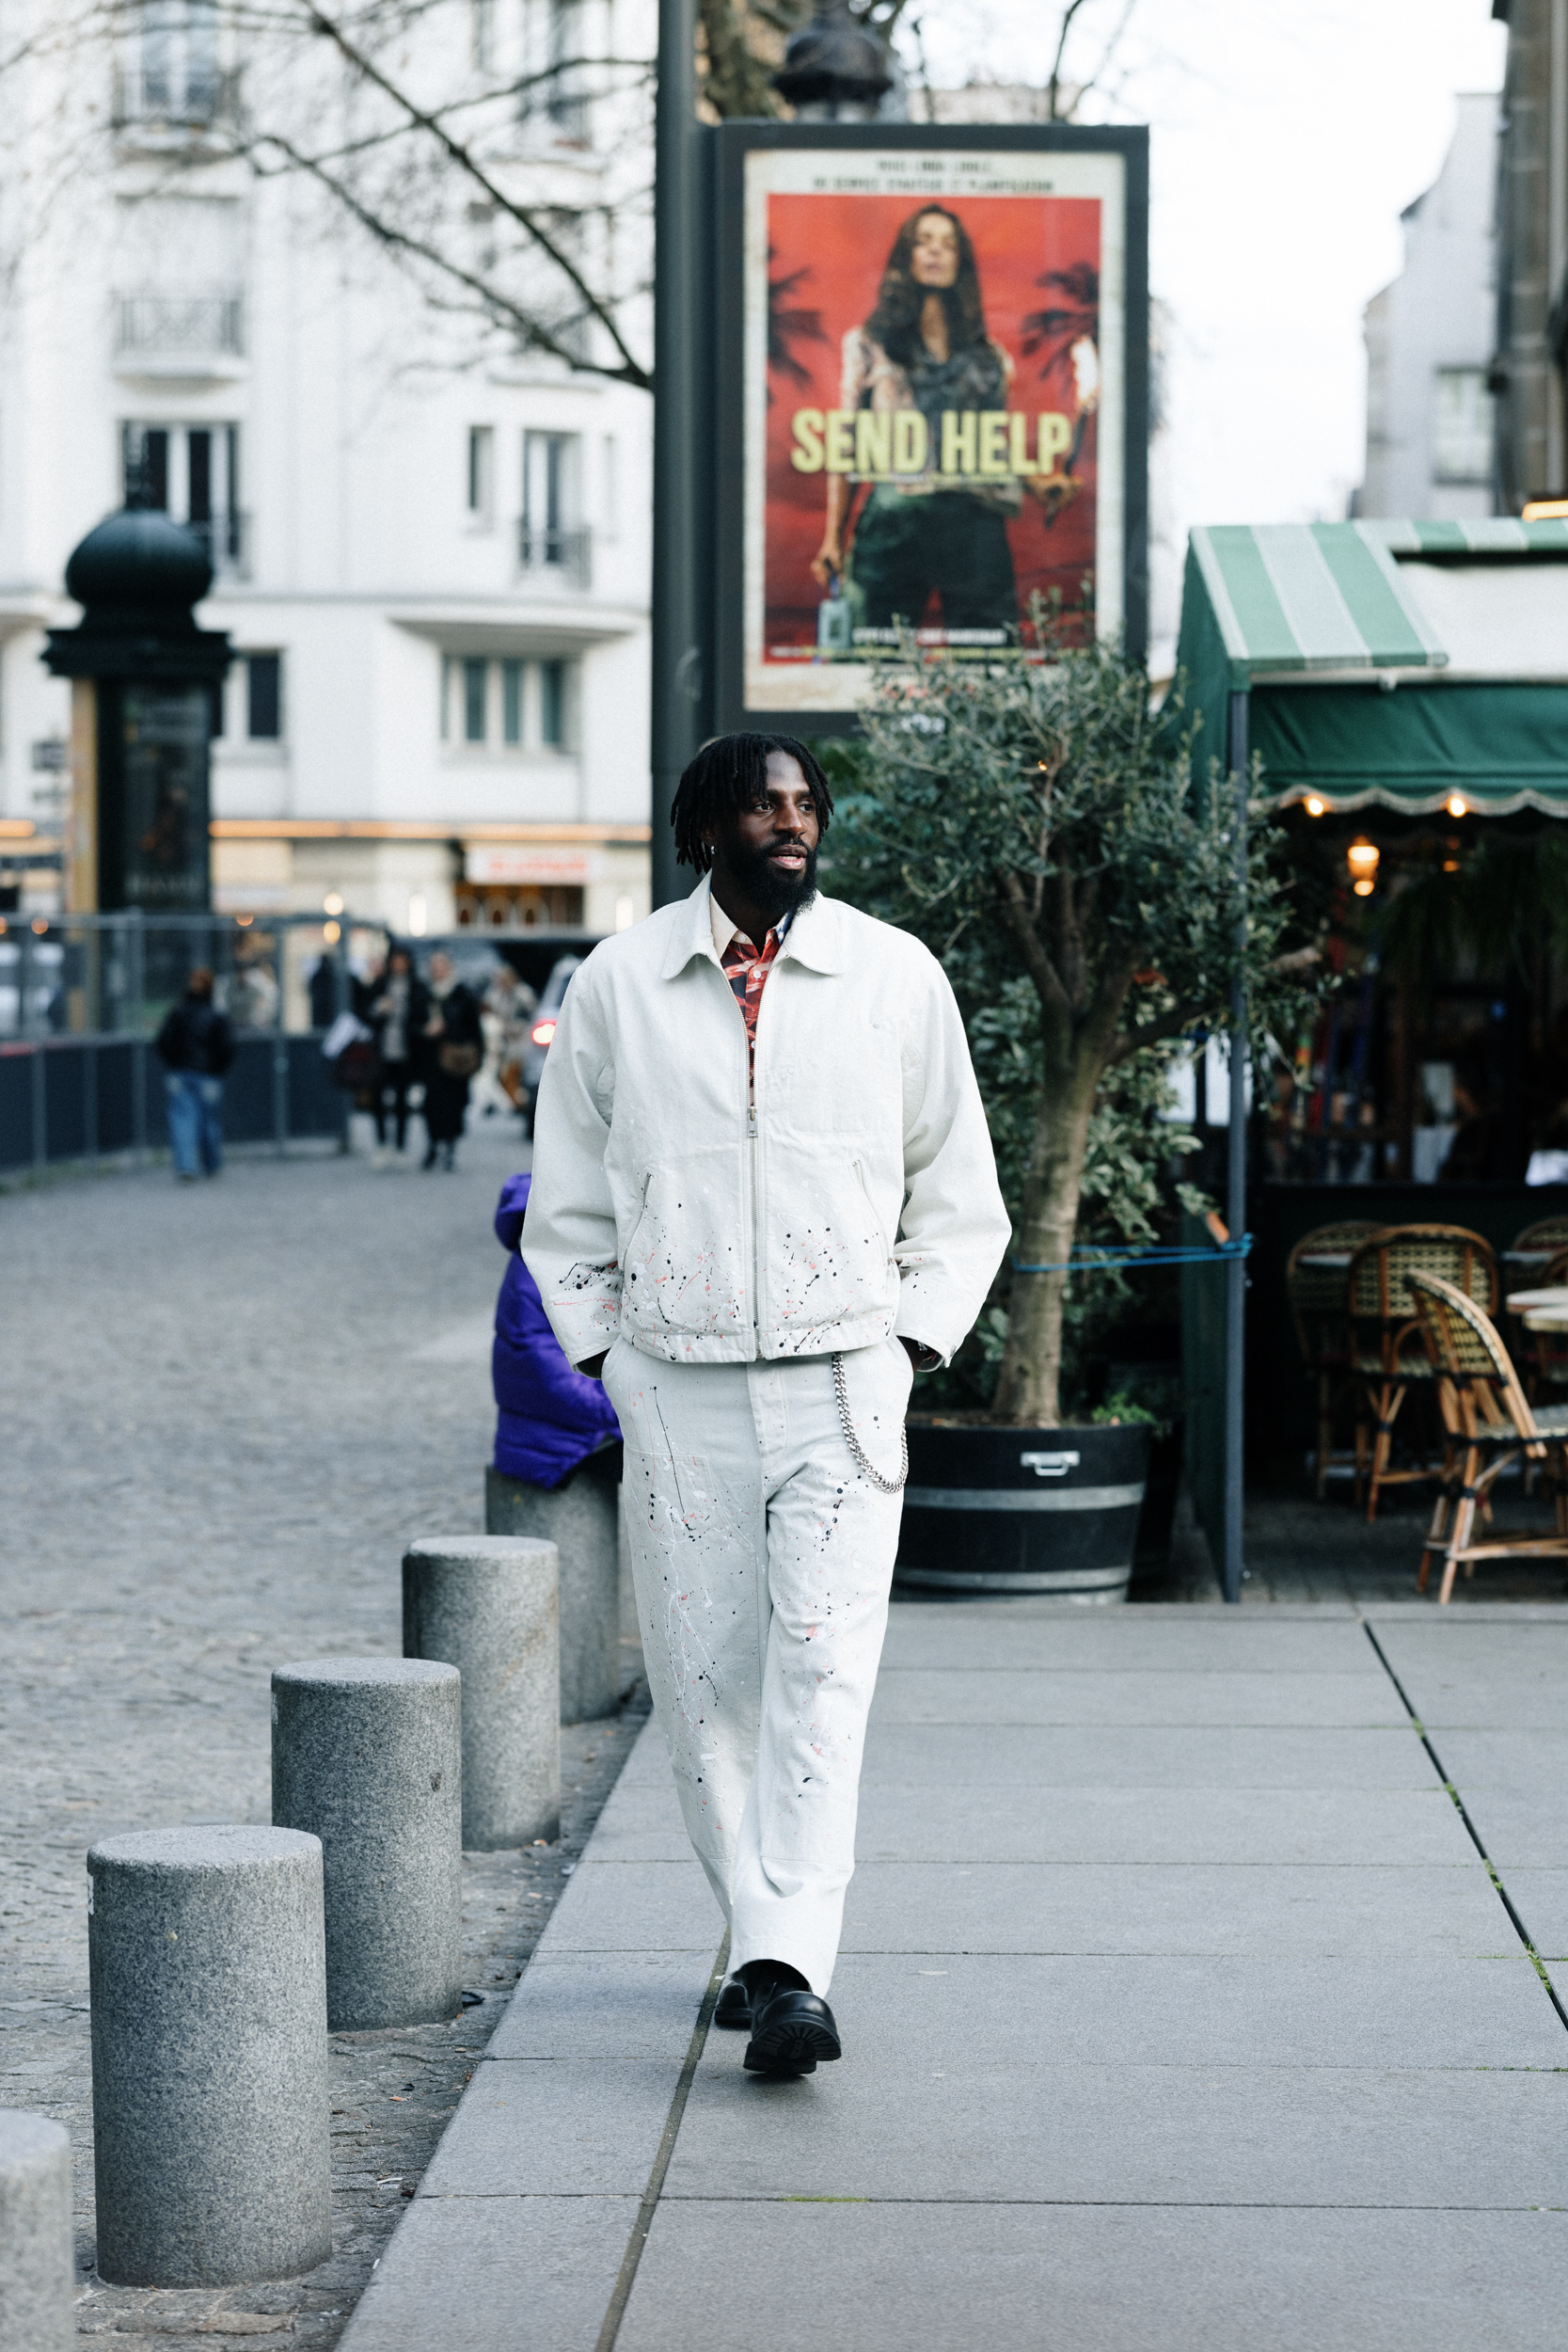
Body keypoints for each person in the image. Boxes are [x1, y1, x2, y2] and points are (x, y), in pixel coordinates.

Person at [523, 732, 1008, 2078]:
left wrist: (906, 1346)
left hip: (845, 1382)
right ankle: (754, 1932)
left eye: (804, 806)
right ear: (703, 828)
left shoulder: (890, 978)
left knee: (820, 1672)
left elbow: (957, 1193)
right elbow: (563, 1208)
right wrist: (610, 1354)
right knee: (701, 1688)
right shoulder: (619, 982)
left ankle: (788, 1968)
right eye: (761, 803)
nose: (789, 825)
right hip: (675, 1388)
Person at [811, 205, 1076, 637]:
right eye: (924, 241)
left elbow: (988, 445)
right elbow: (847, 448)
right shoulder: (868, 345)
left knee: (990, 657)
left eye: (948, 244)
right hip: (895, 521)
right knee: (873, 660)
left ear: (960, 262)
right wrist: (832, 538)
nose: (936, 252)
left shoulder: (988, 357)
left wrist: (1038, 482)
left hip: (972, 525)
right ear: (907, 255)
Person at [492, 1170, 621, 1482]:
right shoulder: (535, 1275)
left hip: (564, 1428)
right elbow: (548, 1374)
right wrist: (625, 1407)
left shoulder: (555, 1262)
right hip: (556, 1445)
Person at [154, 967, 234, 1182]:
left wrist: (174, 1063)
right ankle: (212, 1164)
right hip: (208, 1075)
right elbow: (227, 1047)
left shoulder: (178, 1011)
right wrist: (217, 1069)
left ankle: (186, 1165)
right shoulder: (217, 1014)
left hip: (180, 1073)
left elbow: (163, 1041)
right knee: (209, 1122)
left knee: (182, 1121)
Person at [360, 946, 428, 1168]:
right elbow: (366, 1015)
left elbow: (421, 1016)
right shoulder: (380, 985)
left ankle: (399, 1145)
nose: (399, 965)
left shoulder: (417, 987)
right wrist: (380, 1010)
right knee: (378, 1099)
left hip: (406, 1051)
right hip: (382, 1051)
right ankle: (382, 1145)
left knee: (401, 1100)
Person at [420, 950, 483, 1171]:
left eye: (441, 967)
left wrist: (447, 1027)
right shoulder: (425, 994)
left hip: (456, 1060)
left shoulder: (461, 994)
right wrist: (425, 1032)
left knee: (454, 1105)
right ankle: (433, 1144)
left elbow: (474, 1028)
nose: (437, 972)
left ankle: (449, 1146)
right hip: (432, 1059)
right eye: (434, 968)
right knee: (431, 1106)